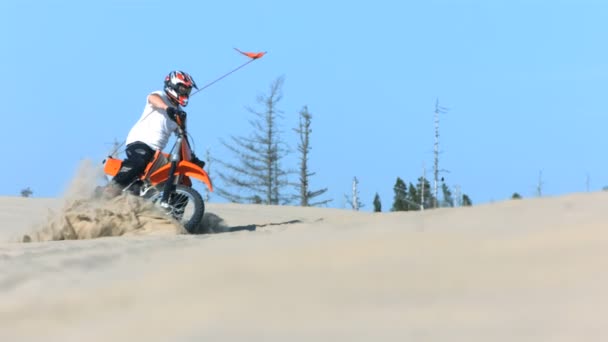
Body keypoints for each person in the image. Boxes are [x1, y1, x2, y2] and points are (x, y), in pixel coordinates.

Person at [106, 70, 206, 196]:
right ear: (172, 86)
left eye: (187, 90)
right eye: (182, 88)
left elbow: (183, 138)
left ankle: (173, 213)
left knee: (179, 179)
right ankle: (109, 190)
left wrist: (191, 158)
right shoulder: (160, 96)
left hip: (156, 152)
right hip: (140, 142)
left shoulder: (180, 114)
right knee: (140, 161)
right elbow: (152, 98)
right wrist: (167, 108)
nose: (185, 92)